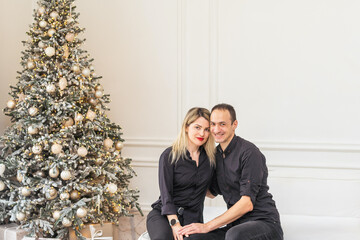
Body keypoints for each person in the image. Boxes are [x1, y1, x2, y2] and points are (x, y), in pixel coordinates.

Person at [179, 103, 283, 240]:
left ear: (234, 124)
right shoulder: (215, 155)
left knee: (234, 235)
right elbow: (210, 193)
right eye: (213, 124)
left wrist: (207, 226)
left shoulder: (249, 153)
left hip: (264, 223)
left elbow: (247, 203)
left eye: (222, 124)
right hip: (236, 225)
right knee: (193, 238)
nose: (216, 130)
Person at [146, 107, 216, 240]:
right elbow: (166, 196)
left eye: (207, 129)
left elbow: (211, 192)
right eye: (197, 127)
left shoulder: (210, 159)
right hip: (164, 216)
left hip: (193, 219)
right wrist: (175, 224)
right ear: (186, 127)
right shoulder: (169, 156)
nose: (202, 133)